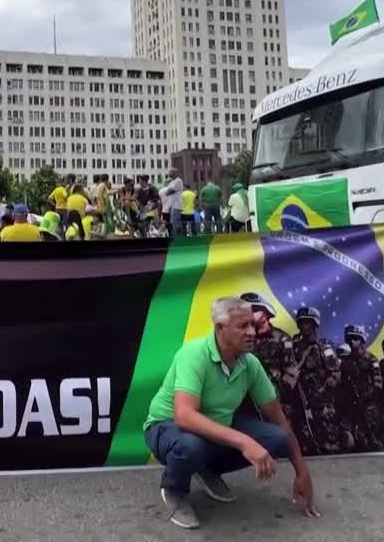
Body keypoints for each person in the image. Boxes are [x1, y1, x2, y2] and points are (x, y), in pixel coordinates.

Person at [143, 295, 321, 529]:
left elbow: (278, 419)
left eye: (252, 325)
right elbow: (184, 416)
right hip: (167, 426)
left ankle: (208, 469)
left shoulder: (250, 364)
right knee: (190, 446)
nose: (252, 332)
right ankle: (175, 489)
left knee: (277, 439)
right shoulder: (194, 354)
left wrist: (302, 472)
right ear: (220, 328)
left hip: (216, 425)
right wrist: (245, 442)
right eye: (242, 326)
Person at [160, 169, 183, 237]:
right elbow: (167, 192)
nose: (169, 173)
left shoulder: (178, 181)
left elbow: (169, 192)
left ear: (175, 173)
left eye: (170, 172)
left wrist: (168, 191)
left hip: (176, 205)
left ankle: (176, 238)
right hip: (172, 206)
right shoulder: (173, 182)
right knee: (173, 223)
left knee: (174, 223)